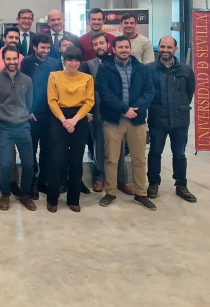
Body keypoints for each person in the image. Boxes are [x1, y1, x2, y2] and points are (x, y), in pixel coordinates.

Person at [96, 36, 157, 211]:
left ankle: (141, 194)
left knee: (139, 159)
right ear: (113, 49)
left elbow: (149, 91)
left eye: (126, 47)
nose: (124, 50)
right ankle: (111, 192)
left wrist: (135, 109)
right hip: (113, 120)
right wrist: (124, 109)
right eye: (120, 47)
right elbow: (105, 93)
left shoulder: (141, 69)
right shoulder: (105, 68)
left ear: (130, 48)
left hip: (136, 120)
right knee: (111, 159)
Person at [79, 32, 132, 194]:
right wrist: (89, 112)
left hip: (118, 111)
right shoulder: (88, 65)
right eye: (95, 44)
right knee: (99, 146)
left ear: (108, 45)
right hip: (98, 111)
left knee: (120, 147)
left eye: (101, 43)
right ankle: (99, 178)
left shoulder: (119, 62)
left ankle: (121, 180)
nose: (98, 47)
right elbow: (86, 91)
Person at [146, 36, 197, 202]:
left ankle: (181, 184)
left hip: (179, 119)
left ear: (175, 49)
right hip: (157, 118)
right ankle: (153, 183)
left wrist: (178, 106)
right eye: (162, 47)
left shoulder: (186, 70)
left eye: (169, 47)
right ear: (158, 48)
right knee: (155, 152)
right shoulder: (149, 69)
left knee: (180, 154)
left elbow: (189, 93)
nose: (165, 50)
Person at [46, 47, 95, 213]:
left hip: (79, 118)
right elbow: (52, 101)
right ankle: (52, 199)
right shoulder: (54, 76)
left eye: (76, 60)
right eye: (70, 60)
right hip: (58, 117)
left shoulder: (87, 78)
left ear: (80, 62)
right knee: (56, 159)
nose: (73, 63)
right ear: (64, 60)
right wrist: (64, 121)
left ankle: (74, 199)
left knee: (76, 160)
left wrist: (74, 120)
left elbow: (89, 101)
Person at [0, 45, 36, 212]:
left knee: (29, 164)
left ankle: (25, 195)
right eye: (8, 59)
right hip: (4, 128)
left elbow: (30, 104)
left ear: (19, 59)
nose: (12, 62)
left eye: (15, 58)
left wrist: (24, 115)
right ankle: (5, 195)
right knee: (6, 164)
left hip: (23, 127)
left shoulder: (27, 80)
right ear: (3, 60)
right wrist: (1, 122)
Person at [20, 33, 62, 198]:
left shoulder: (55, 62)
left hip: (51, 115)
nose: (45, 50)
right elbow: (23, 87)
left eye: (47, 47)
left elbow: (59, 86)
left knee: (48, 149)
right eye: (42, 47)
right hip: (32, 115)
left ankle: (44, 180)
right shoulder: (26, 62)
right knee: (31, 150)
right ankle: (32, 182)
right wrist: (28, 110)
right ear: (35, 47)